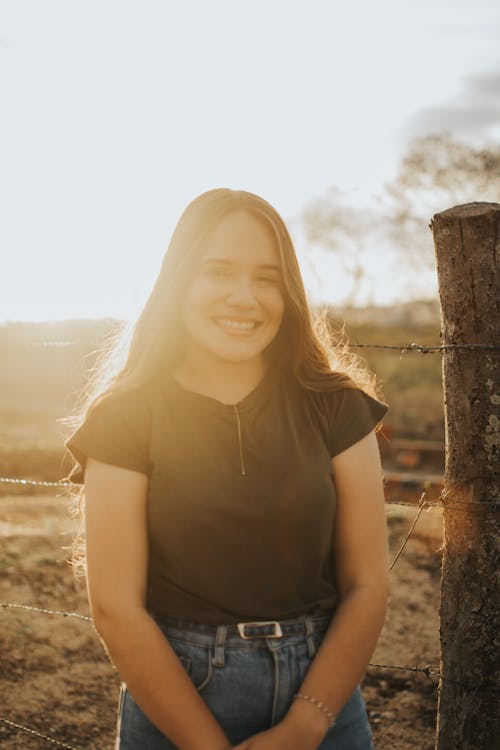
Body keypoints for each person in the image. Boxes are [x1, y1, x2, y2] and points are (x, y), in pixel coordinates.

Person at [66, 188, 389, 750]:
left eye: (266, 278)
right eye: (219, 272)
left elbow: (367, 585)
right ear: (178, 283)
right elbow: (115, 608)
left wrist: (306, 725)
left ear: (288, 292)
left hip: (324, 699)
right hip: (177, 700)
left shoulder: (337, 406)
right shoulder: (126, 417)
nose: (245, 297)